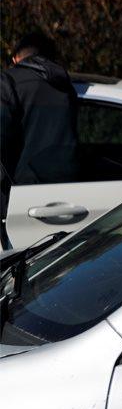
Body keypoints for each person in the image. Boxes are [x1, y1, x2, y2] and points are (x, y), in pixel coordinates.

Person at [0, 32, 80, 250]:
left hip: (22, 202)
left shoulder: (8, 83)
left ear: (16, 58)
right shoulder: (67, 87)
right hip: (72, 195)